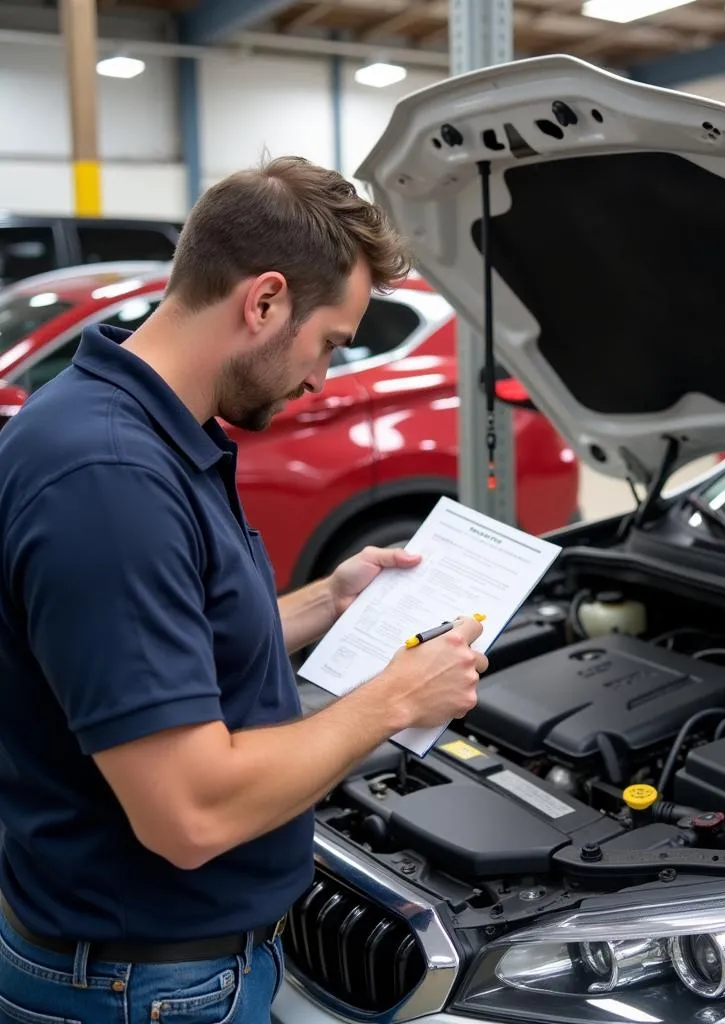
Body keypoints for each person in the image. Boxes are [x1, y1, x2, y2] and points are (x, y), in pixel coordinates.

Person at [0, 155, 487, 1023]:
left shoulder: (124, 422)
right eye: (329, 344)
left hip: (151, 969)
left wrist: (327, 600)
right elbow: (188, 813)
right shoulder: (110, 477)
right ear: (263, 301)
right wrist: (389, 700)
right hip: (143, 990)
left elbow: (155, 643)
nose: (323, 380)